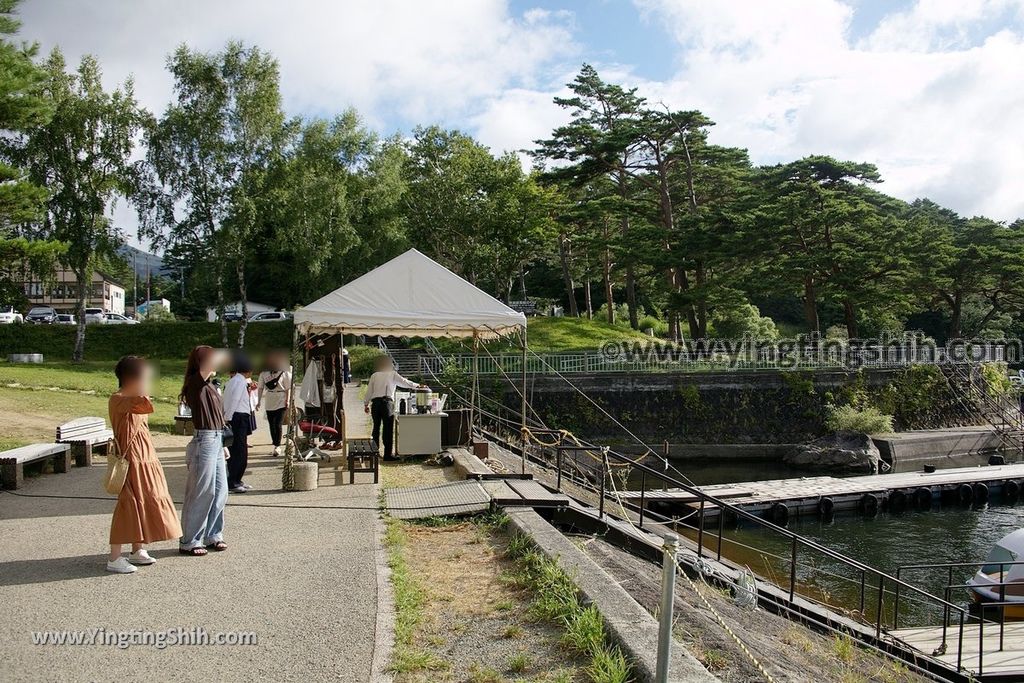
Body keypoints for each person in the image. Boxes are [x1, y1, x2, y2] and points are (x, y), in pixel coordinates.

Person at [106, 356, 182, 574]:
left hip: (145, 458)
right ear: (132, 377)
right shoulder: (119, 399)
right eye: (144, 374)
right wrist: (144, 380)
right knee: (128, 504)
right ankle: (114, 557)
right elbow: (144, 403)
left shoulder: (129, 397)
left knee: (144, 501)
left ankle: (137, 548)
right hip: (131, 461)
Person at [178, 345, 229, 555]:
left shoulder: (209, 386)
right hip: (205, 439)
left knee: (220, 490)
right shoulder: (195, 384)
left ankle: (213, 535)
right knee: (202, 491)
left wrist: (224, 445)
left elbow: (218, 417)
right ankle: (190, 539)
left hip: (216, 439)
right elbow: (208, 367)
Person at [363, 355, 426, 460]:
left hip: (375, 403)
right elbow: (404, 382)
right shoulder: (392, 374)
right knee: (388, 429)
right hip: (387, 403)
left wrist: (366, 404)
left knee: (376, 428)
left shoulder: (374, 375)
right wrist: (418, 385)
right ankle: (387, 455)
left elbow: (369, 391)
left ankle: (374, 452)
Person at [223, 352, 256, 493]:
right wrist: (228, 417)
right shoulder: (240, 381)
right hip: (237, 416)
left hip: (237, 416)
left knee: (236, 449)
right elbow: (235, 400)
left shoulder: (233, 381)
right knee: (239, 450)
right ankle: (234, 481)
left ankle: (236, 479)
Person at [257, 351, 292, 456]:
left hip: (281, 399)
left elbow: (288, 388)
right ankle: (275, 444)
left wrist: (288, 400)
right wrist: (258, 401)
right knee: (271, 424)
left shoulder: (285, 372)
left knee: (278, 424)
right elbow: (260, 388)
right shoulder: (264, 373)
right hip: (269, 400)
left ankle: (277, 446)